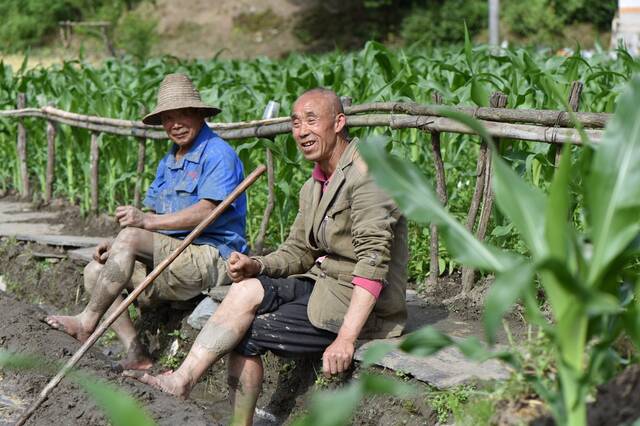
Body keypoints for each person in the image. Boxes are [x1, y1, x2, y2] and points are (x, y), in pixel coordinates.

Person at [127, 87, 408, 425]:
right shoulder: (315, 184)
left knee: (246, 332)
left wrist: (346, 339)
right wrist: (256, 265)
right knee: (245, 289)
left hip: (362, 304)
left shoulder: (368, 175)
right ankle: (181, 380)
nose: (301, 131)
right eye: (295, 123)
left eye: (311, 120)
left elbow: (373, 261)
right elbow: (299, 251)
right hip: (325, 284)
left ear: (338, 123)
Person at [45, 73, 248, 371]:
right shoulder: (169, 161)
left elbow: (208, 211)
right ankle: (136, 352)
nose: (175, 124)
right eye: (168, 118)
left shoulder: (218, 154)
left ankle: (86, 321)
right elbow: (152, 218)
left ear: (199, 114)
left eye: (183, 114)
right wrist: (117, 245)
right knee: (93, 272)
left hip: (210, 256)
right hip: (172, 256)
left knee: (129, 238)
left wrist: (144, 224)